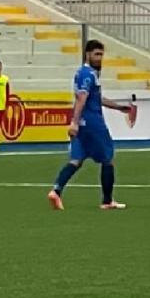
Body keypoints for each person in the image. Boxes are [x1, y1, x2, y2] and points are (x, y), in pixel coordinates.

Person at [48, 40, 130, 211]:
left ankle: (56, 191)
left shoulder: (84, 73)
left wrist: (118, 107)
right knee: (108, 159)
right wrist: (74, 122)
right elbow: (82, 98)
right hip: (93, 123)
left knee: (76, 160)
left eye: (101, 55)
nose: (99, 58)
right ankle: (107, 201)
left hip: (83, 125)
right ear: (88, 54)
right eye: (96, 54)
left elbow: (95, 98)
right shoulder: (88, 74)